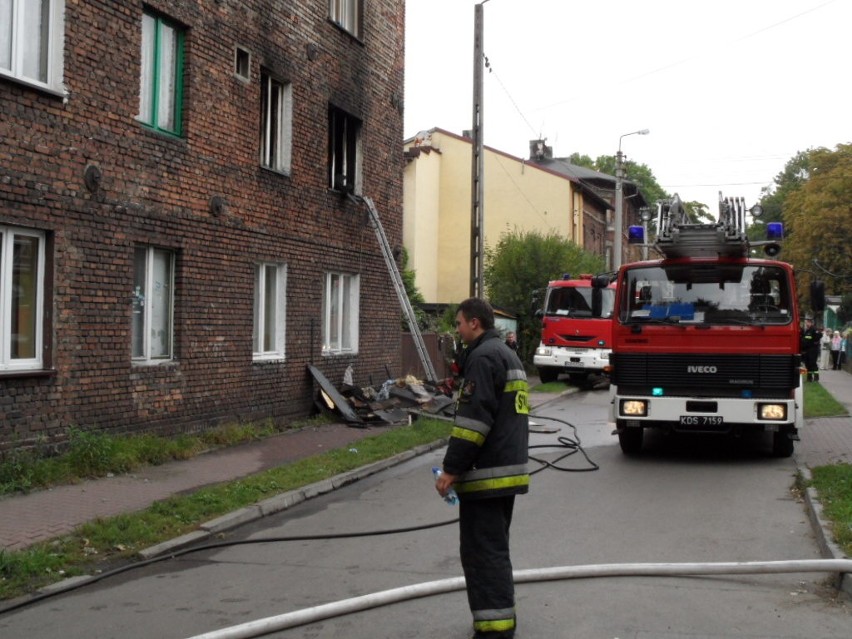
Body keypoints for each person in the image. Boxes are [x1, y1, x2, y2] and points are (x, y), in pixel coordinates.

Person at [435, 298, 529, 639]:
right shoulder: (507, 354)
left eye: (459, 323)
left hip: (487, 476)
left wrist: (450, 470)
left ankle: (495, 631)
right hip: (506, 472)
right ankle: (501, 622)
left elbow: (472, 424)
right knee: (494, 549)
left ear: (475, 323)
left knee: (483, 555)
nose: (457, 330)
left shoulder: (483, 358)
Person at [800, 317, 822, 382]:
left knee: (813, 363)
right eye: (806, 322)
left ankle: (816, 377)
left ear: (810, 323)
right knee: (808, 364)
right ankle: (809, 378)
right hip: (807, 350)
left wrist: (815, 341)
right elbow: (805, 339)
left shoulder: (814, 329)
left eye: (807, 322)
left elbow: (819, 335)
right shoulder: (807, 330)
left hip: (813, 349)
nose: (806, 324)